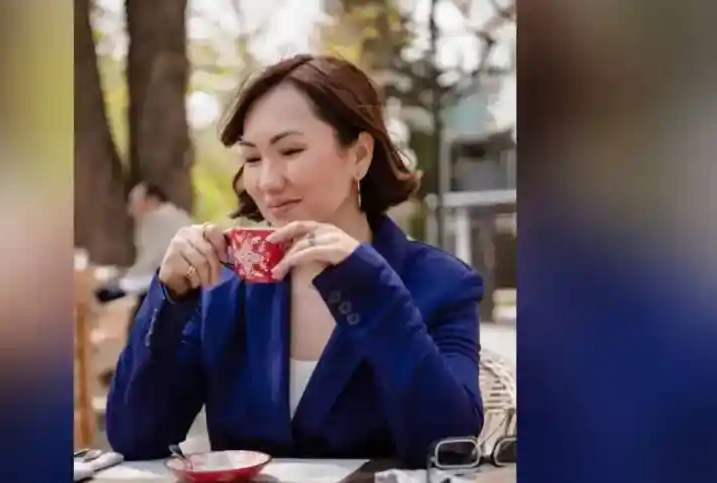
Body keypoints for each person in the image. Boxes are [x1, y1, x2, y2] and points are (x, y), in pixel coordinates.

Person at [106, 54, 484, 468]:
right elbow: (136, 437)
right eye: (252, 159)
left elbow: (451, 445)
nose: (268, 182)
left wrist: (373, 291)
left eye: (290, 150)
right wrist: (170, 297)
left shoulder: (440, 283)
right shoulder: (223, 286)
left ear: (359, 155)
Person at [94, 182, 193, 304]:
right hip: (178, 276)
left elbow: (151, 261)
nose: (131, 210)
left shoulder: (156, 219)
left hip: (168, 279)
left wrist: (122, 278)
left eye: (135, 202)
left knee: (109, 292)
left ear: (152, 200)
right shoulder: (176, 215)